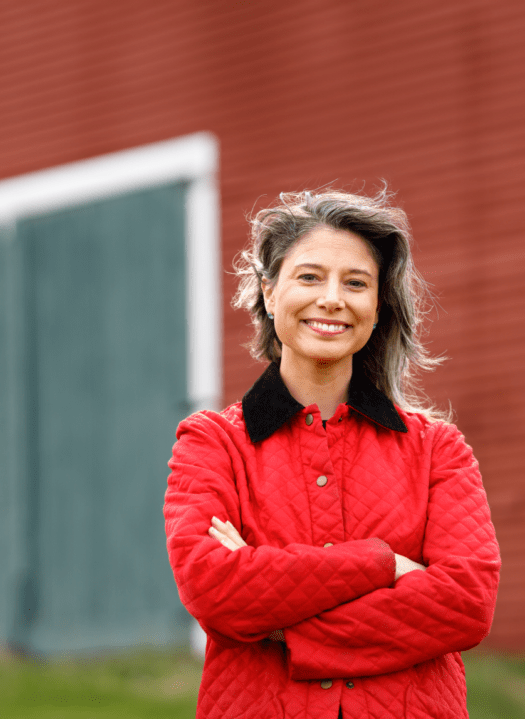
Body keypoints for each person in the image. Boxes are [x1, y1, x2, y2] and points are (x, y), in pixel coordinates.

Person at [164, 188, 500, 719]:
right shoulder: (212, 443)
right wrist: (384, 563)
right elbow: (214, 589)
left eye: (356, 283)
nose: (332, 299)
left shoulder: (438, 449)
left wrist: (281, 624)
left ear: (377, 306)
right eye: (309, 276)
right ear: (270, 294)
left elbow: (466, 606)